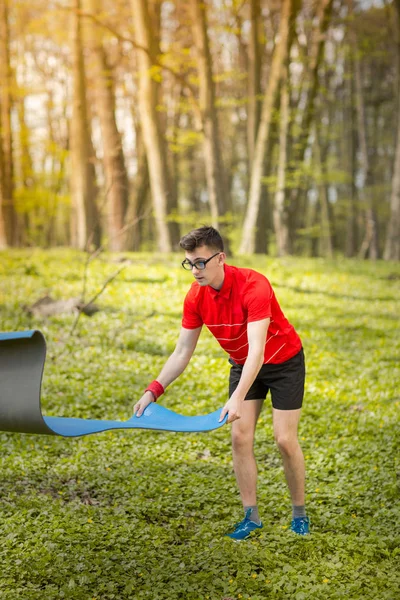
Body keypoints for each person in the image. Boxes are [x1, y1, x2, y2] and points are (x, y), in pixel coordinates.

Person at [134, 226, 309, 540]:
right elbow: (182, 350)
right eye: (189, 263)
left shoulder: (254, 286)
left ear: (221, 258)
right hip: (244, 364)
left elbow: (258, 349)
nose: (195, 270)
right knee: (240, 438)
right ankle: (251, 517)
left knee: (284, 439)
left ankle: (300, 514)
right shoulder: (196, 297)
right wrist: (153, 390)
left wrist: (237, 397)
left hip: (283, 362)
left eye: (200, 262)